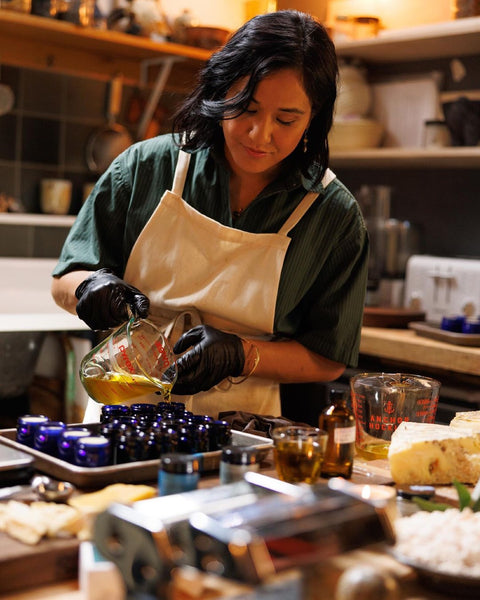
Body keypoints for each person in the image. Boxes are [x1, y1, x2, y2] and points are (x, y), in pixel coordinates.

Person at [51, 9, 369, 421]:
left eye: (286, 119)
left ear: (314, 118)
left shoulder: (333, 216)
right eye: (246, 109)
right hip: (124, 415)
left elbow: (328, 359)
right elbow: (64, 279)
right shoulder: (145, 169)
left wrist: (241, 355)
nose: (261, 135)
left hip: (246, 434)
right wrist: (88, 289)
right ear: (219, 92)